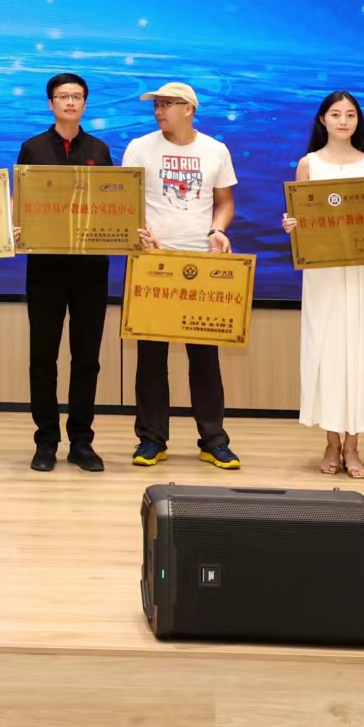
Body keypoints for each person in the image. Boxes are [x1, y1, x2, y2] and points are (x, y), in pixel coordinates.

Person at [123, 82, 240, 471]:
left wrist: (217, 230)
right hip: (152, 261)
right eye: (155, 105)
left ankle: (214, 440)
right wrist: (142, 231)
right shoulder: (140, 147)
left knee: (205, 357)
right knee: (151, 357)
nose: (158, 111)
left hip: (200, 262)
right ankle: (151, 439)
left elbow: (225, 202)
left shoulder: (215, 150)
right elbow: (126, 201)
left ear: (189, 108)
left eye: (166, 104)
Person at [280, 92, 364, 479]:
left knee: (360, 351)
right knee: (325, 351)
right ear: (322, 120)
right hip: (323, 273)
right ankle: (331, 441)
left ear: (358, 121)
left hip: (360, 271)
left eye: (350, 115)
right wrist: (292, 226)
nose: (343, 121)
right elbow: (300, 218)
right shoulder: (308, 164)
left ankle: (354, 445)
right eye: (335, 114)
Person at [15, 73, 111, 474]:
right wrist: (17, 227)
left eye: (76, 96)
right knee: (43, 357)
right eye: (62, 96)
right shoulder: (33, 148)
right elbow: (21, 204)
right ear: (51, 103)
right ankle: (46, 440)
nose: (70, 102)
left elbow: (112, 204)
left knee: (87, 358)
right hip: (46, 268)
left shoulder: (99, 149)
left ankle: (81, 441)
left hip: (91, 269)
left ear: (85, 103)